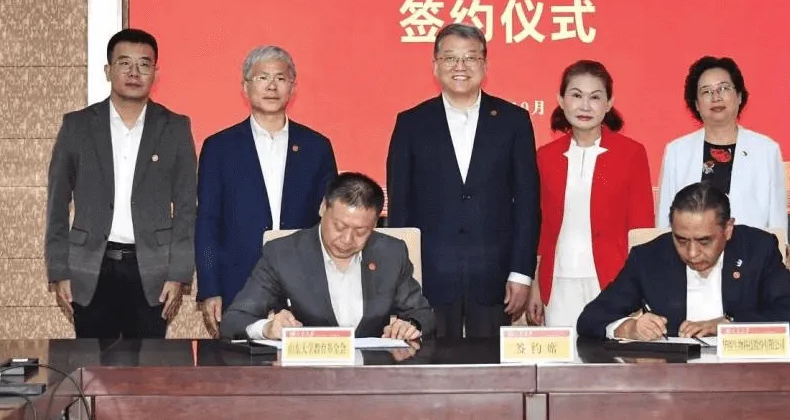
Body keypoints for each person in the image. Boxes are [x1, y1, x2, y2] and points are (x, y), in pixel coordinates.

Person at [386, 23, 540, 339]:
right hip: (429, 276)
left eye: (470, 57)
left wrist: (522, 273)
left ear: (485, 64)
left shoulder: (513, 121)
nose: (460, 66)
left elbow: (527, 204)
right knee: (428, 362)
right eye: (450, 58)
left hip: (496, 275)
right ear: (435, 65)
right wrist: (403, 277)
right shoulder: (411, 123)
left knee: (492, 364)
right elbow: (401, 208)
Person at [45, 28, 196, 339]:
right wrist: (59, 270)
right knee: (92, 365)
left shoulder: (175, 127)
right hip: (90, 269)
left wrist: (179, 273)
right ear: (108, 70)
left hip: (153, 271)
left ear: (155, 73)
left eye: (144, 64)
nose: (134, 72)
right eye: (124, 63)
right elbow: (57, 203)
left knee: (149, 366)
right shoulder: (77, 126)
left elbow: (186, 208)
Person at [194, 45, 337, 337]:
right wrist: (209, 287)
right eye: (262, 78)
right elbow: (207, 223)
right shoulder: (219, 147)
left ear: (292, 88)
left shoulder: (316, 147)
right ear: (245, 87)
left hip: (303, 284)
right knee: (237, 362)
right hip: (238, 282)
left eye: (280, 78)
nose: (272, 86)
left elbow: (329, 220)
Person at [577, 182, 790, 340]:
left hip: (744, 375)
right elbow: (590, 318)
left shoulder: (758, 249)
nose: (692, 252)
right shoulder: (649, 257)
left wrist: (728, 325)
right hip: (673, 379)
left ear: (728, 229)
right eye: (681, 240)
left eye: (704, 241)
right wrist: (628, 329)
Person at [220, 172, 435, 340]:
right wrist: (266, 328)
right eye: (339, 226)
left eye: (361, 231)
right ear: (323, 208)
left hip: (372, 374)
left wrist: (411, 325)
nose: (347, 239)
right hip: (306, 375)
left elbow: (423, 313)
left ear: (375, 223)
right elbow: (234, 320)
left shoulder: (391, 253)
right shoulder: (283, 253)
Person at [526, 61, 655, 328]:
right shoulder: (545, 157)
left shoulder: (631, 153)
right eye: (576, 95)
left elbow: (641, 227)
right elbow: (541, 228)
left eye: (595, 97)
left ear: (609, 103)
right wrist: (535, 284)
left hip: (612, 280)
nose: (585, 106)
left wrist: (639, 285)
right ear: (561, 100)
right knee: (563, 354)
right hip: (558, 280)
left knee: (610, 352)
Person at [656, 56, 788, 253]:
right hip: (691, 258)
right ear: (696, 104)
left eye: (724, 88)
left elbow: (777, 222)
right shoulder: (677, 151)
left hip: (750, 258)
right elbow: (664, 222)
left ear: (740, 96)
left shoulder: (767, 150)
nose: (716, 97)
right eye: (706, 91)